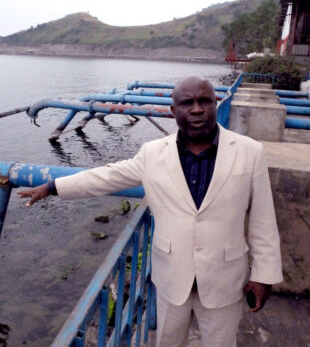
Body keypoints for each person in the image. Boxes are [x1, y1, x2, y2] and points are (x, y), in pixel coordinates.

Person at [18, 75, 283, 347]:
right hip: (171, 277)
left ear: (216, 104)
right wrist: (53, 186)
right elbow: (106, 177)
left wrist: (264, 275)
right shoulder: (153, 153)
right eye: (186, 103)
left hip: (225, 278)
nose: (196, 109)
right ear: (173, 111)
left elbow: (263, 221)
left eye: (204, 101)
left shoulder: (249, 152)